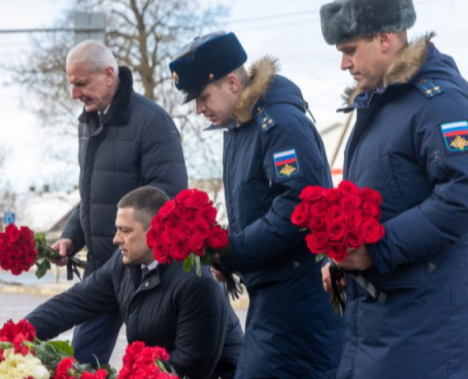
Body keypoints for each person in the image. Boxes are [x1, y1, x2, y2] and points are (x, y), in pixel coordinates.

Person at [318, 0, 468, 379]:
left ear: (384, 39)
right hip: (384, 328)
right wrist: (345, 260)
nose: (344, 64)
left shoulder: (439, 103)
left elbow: (466, 192)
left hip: (426, 336)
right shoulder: (382, 107)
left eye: (349, 50)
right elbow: (389, 201)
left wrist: (377, 250)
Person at [168, 31, 343, 378]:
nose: (199, 109)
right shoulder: (240, 126)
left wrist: (232, 251)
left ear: (232, 82)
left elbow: (295, 209)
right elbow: (257, 205)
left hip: (299, 299)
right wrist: (227, 256)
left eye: (202, 97)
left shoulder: (278, 125)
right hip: (272, 292)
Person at [51, 40, 188, 365]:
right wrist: (72, 235)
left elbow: (167, 197)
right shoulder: (88, 123)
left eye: (81, 83)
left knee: (155, 366)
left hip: (148, 276)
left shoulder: (152, 122)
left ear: (109, 75)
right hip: (104, 268)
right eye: (71, 84)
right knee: (81, 362)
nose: (75, 93)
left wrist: (136, 255)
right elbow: (92, 196)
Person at [27, 186, 243, 379]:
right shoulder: (121, 265)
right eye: (117, 229)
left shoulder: (195, 281)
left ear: (154, 230)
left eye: (126, 230)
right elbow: (72, 303)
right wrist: (20, 334)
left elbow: (190, 368)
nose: (116, 239)